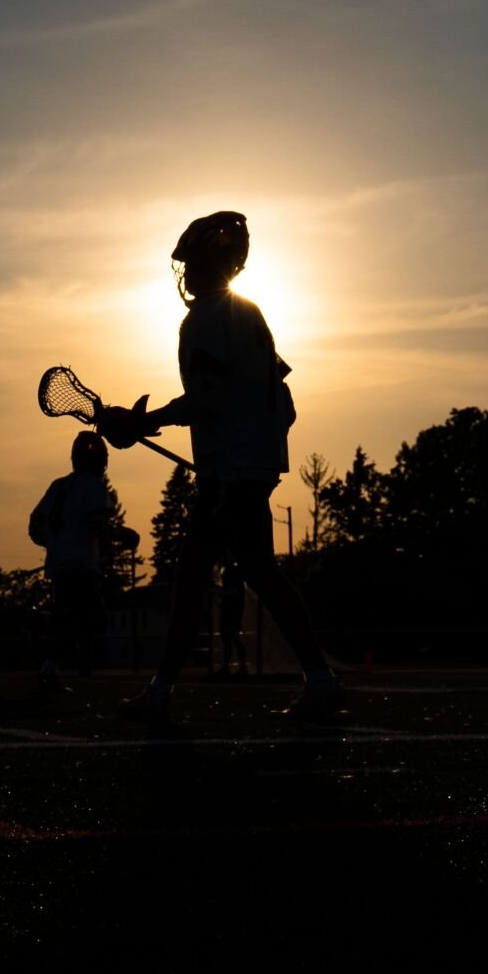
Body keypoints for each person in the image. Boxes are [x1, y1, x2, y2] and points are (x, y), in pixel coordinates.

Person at [98, 211, 341, 723]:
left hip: (232, 475)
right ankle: (163, 691)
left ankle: (319, 680)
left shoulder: (204, 320)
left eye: (192, 263)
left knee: (251, 572)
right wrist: (254, 451)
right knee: (203, 573)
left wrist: (145, 423)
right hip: (240, 470)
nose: (186, 275)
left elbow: (205, 400)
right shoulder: (251, 314)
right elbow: (285, 402)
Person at [28, 431, 139, 695]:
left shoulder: (58, 486)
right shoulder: (93, 486)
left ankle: (57, 666)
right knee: (91, 617)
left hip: (60, 564)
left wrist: (54, 543)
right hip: (78, 564)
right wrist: (121, 534)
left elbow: (35, 524)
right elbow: (95, 523)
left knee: (71, 616)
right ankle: (58, 665)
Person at [216, 560, 247, 677]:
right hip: (227, 610)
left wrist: (219, 592)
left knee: (234, 637)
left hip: (233, 611)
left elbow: (235, 591)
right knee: (227, 639)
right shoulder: (226, 570)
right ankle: (226, 667)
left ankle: (242, 667)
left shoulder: (234, 571)